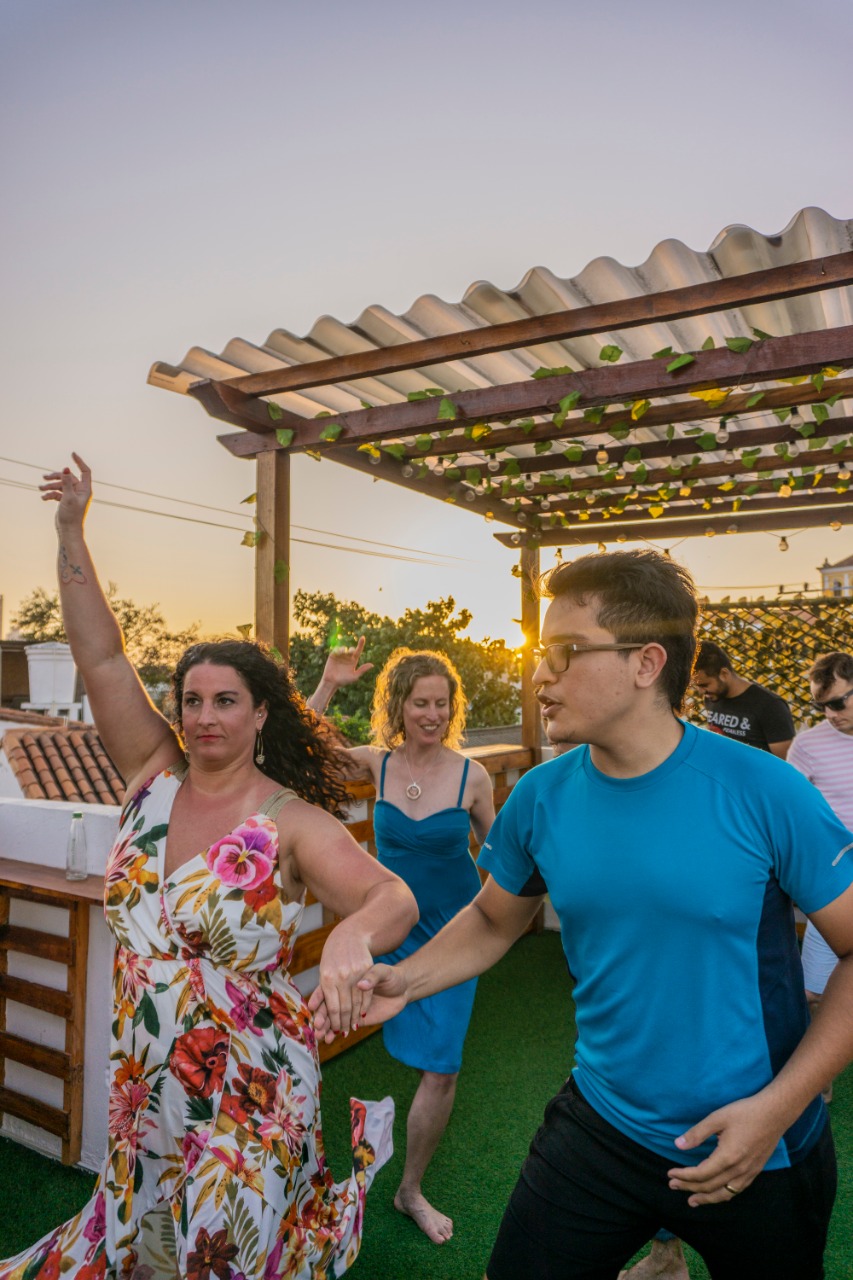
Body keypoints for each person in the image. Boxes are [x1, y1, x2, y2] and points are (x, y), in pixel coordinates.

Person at [314, 548, 853, 1280]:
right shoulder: (541, 794)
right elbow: (494, 919)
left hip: (755, 1145)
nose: (539, 677)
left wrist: (779, 1109)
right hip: (601, 1124)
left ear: (645, 662)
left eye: (562, 654)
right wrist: (401, 982)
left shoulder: (764, 790)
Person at [0, 455, 418, 1280]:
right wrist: (69, 529)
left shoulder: (288, 822)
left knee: (227, 1253)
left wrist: (350, 939)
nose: (203, 716)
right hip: (144, 1082)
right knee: (149, 1246)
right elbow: (104, 659)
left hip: (252, 1087)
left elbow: (389, 895)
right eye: (191, 699)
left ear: (261, 712)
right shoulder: (151, 777)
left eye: (224, 700)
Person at [307, 645, 495, 1245]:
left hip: (449, 938)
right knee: (316, 1025)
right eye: (421, 703)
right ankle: (291, 1169)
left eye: (442, 704)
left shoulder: (474, 776)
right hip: (387, 928)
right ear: (400, 705)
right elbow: (300, 757)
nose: (432, 714)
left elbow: (504, 860)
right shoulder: (376, 763)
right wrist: (329, 685)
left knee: (441, 1070)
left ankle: (409, 1189)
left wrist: (485, 922)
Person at [788, 651, 853, 1103]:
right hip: (838, 884)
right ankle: (817, 1078)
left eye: (840, 702)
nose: (833, 715)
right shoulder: (808, 744)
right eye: (823, 706)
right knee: (813, 988)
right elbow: (789, 811)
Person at [692, 639, 794, 757]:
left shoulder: (770, 706)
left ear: (724, 674)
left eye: (704, 685)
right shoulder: (713, 696)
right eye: (697, 686)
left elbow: (785, 762)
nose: (701, 692)